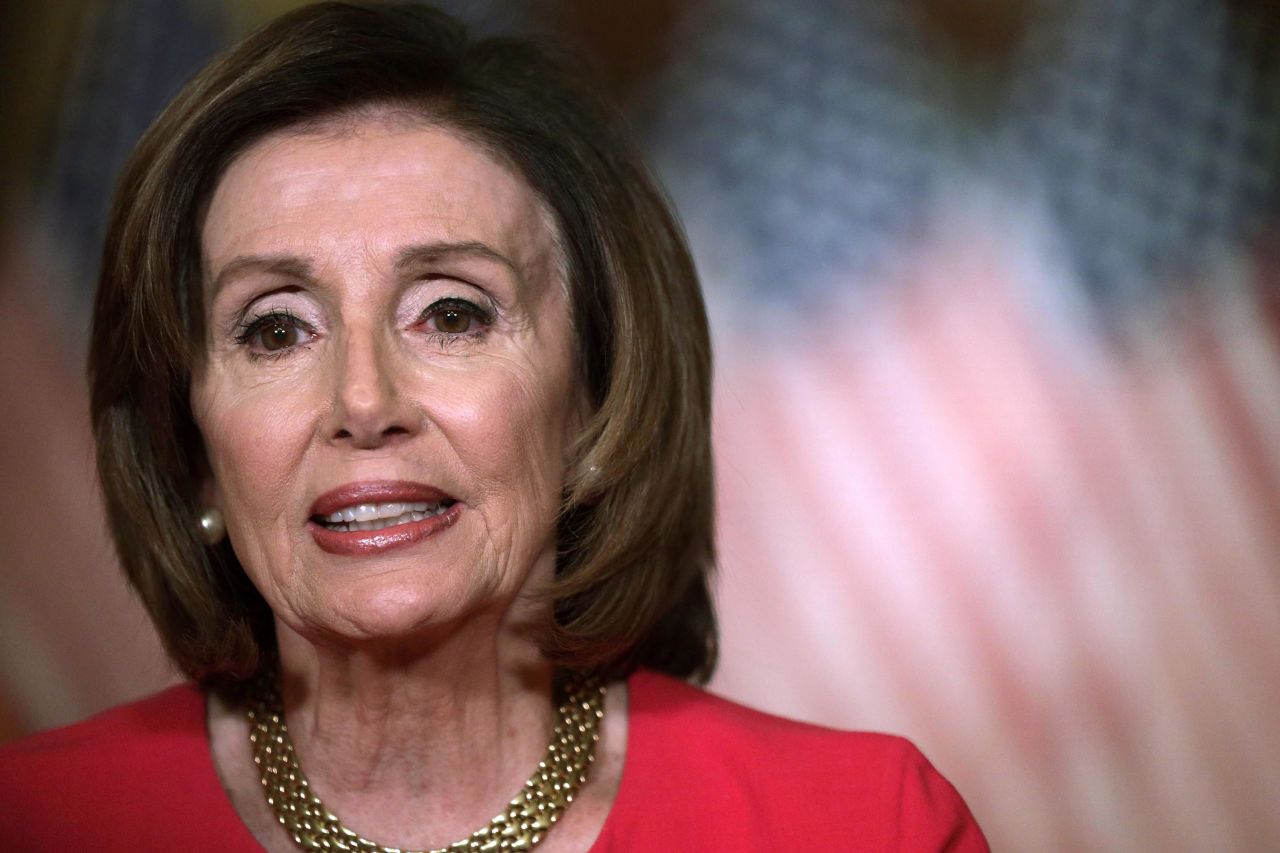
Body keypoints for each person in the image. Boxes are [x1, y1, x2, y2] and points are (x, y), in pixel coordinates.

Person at [0, 3, 987, 850]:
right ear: (194, 454)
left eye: (452, 313)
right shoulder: (37, 822)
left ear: (596, 400)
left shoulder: (858, 826)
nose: (362, 402)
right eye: (274, 329)